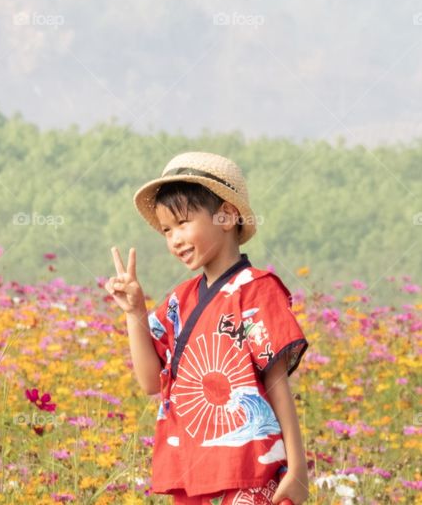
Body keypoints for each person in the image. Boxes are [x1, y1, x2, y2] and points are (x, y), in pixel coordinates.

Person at [105, 151, 309, 504]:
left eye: (183, 223)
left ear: (227, 215)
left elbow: (277, 382)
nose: (175, 240)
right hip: (190, 473)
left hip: (250, 471)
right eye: (167, 231)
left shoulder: (258, 289)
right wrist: (134, 312)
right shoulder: (178, 301)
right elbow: (151, 381)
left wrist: (297, 466)